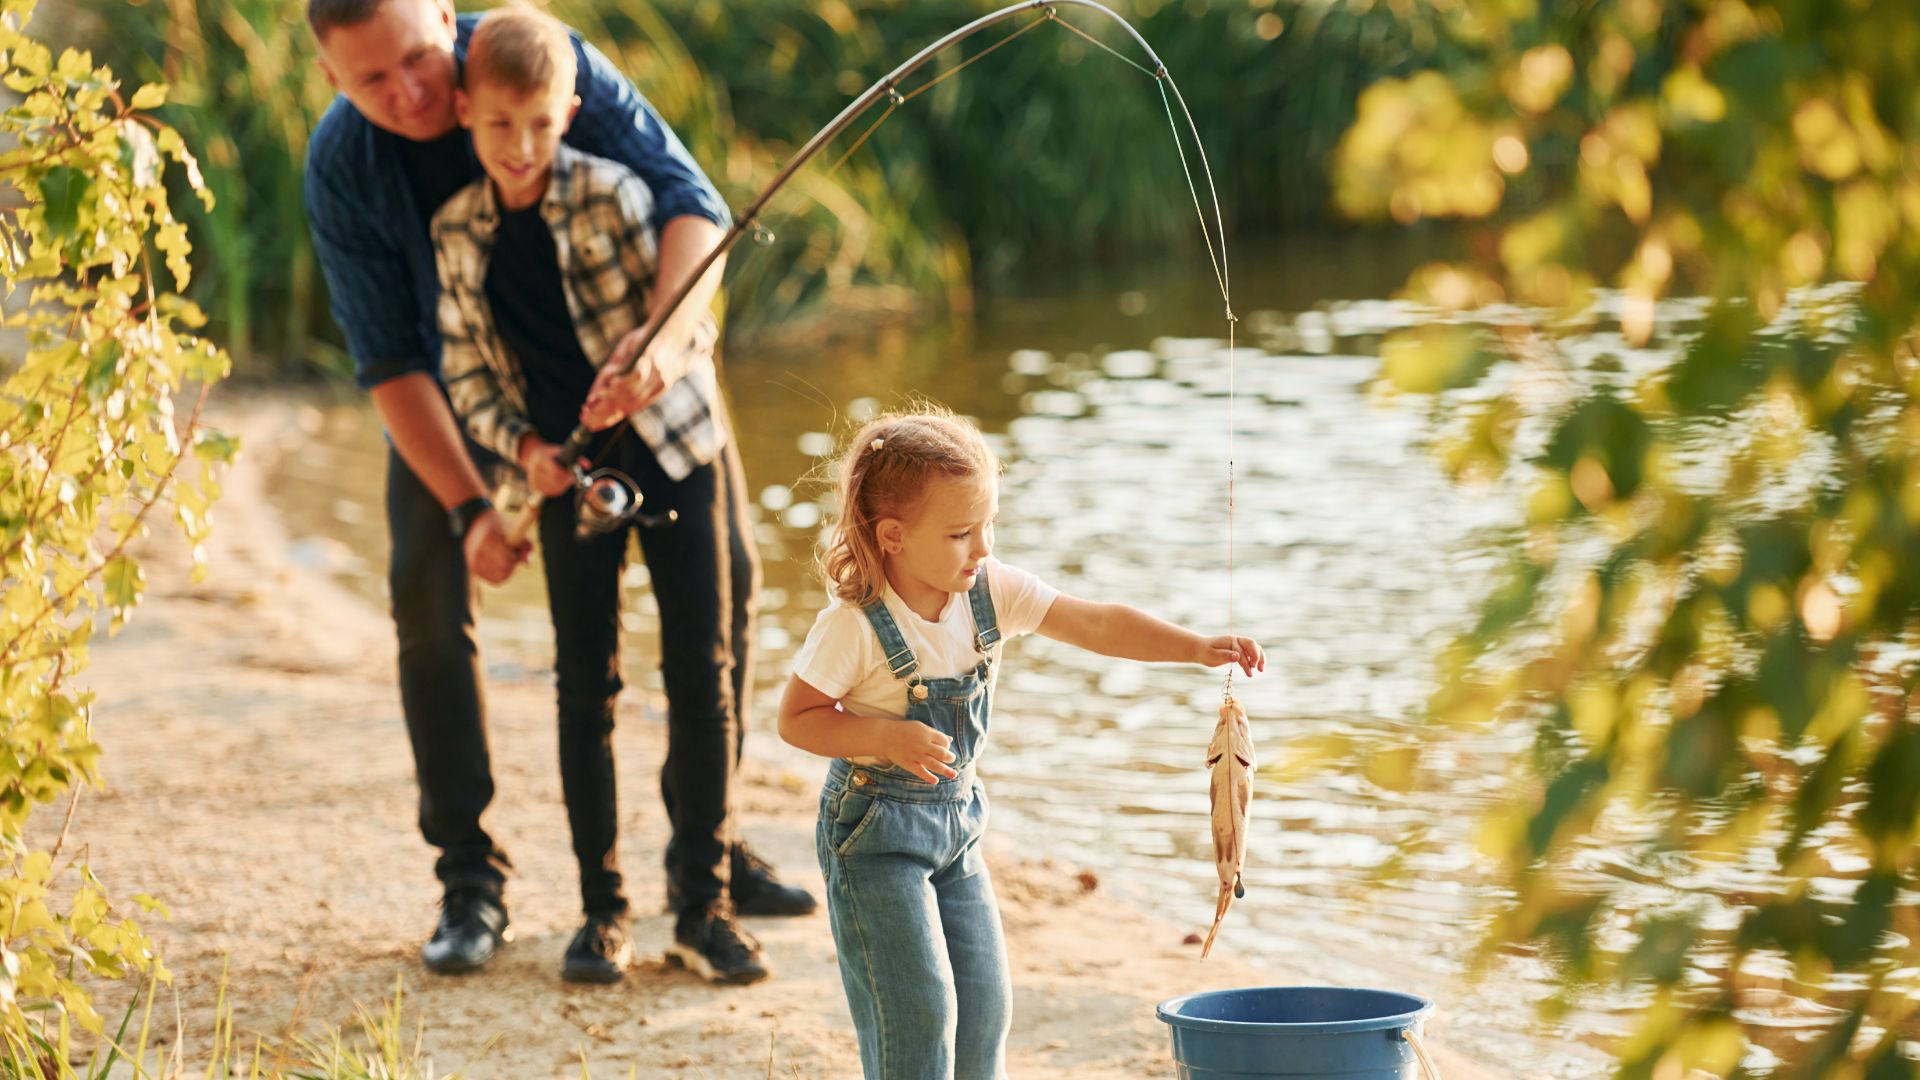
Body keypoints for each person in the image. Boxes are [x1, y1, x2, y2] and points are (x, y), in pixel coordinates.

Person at [302, 0, 813, 984]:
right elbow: (392, 364)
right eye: (372, 81)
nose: (409, 95)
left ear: (446, 19)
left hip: (632, 376)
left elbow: (688, 202)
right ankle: (470, 875)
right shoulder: (343, 167)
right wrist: (470, 507)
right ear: (332, 79)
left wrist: (660, 347)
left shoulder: (535, 58)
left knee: (732, 587)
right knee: (427, 587)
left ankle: (705, 853)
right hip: (472, 396)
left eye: (418, 58)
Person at [777, 408, 1266, 1077]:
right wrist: (884, 736)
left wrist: (1194, 648)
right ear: (892, 536)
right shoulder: (854, 625)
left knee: (984, 1007)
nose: (981, 549)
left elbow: (1095, 623)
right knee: (918, 1011)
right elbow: (798, 718)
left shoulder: (990, 591)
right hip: (872, 835)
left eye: (988, 527)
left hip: (958, 828)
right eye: (959, 534)